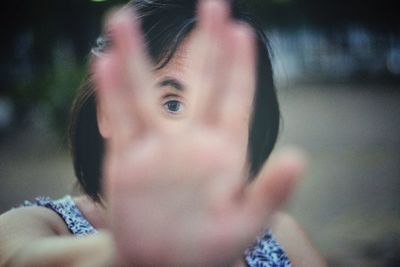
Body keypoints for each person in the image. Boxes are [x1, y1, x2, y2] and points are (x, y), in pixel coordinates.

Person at [0, 0, 327, 266]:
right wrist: (124, 257)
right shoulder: (38, 227)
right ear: (107, 114)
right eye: (172, 104)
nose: (195, 139)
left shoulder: (281, 236)